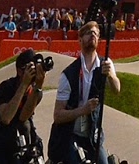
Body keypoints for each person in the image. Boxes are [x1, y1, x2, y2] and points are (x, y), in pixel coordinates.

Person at [48, 21, 120, 164]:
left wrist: (111, 76)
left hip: (93, 134)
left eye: (96, 33)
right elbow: (58, 116)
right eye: (88, 33)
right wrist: (82, 110)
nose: (92, 35)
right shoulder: (68, 74)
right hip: (70, 134)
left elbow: (116, 89)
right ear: (80, 40)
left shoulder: (105, 64)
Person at [0, 49, 47, 164]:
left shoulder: (36, 92)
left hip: (19, 139)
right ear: (20, 71)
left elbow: (24, 117)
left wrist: (38, 86)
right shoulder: (6, 88)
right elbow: (6, 118)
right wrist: (24, 84)